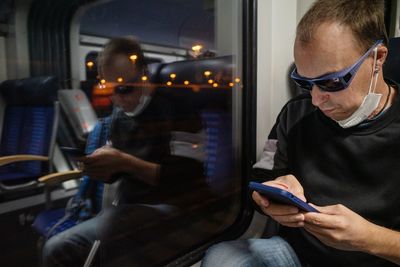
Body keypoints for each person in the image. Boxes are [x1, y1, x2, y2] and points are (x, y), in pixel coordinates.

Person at [201, 0, 400, 266]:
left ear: (378, 58)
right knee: (220, 258)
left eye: (332, 81)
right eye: (304, 82)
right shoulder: (296, 114)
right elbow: (262, 174)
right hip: (297, 254)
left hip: (377, 259)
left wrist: (368, 239)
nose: (316, 100)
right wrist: (272, 195)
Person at [43, 37, 208, 267]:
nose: (118, 100)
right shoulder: (119, 117)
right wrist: (102, 167)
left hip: (176, 208)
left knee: (113, 225)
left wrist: (126, 163)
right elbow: (120, 174)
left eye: (124, 89)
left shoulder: (180, 110)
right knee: (56, 248)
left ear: (143, 73)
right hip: (128, 209)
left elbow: (188, 179)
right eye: (109, 90)